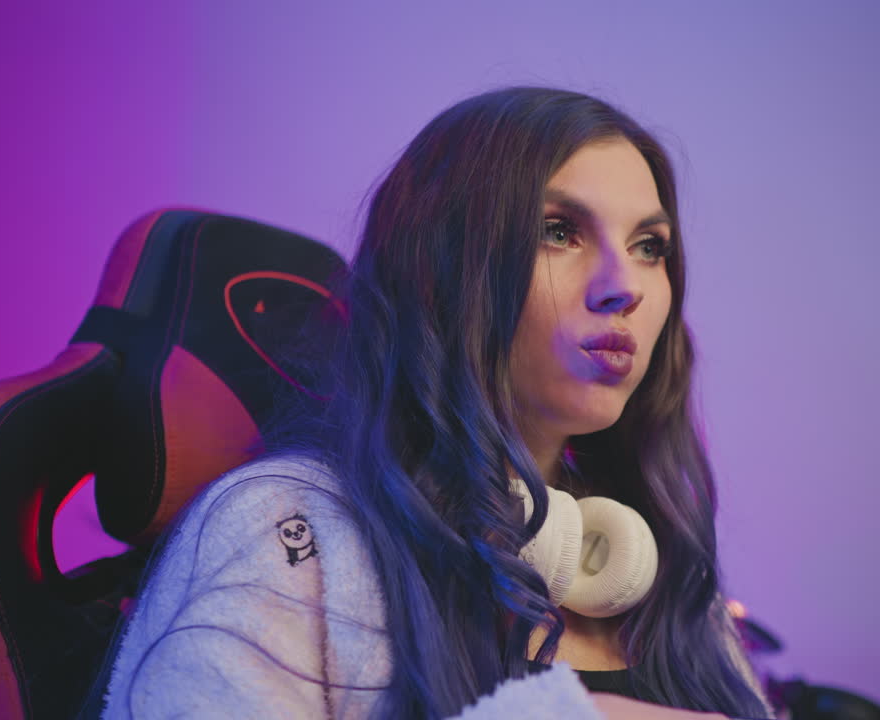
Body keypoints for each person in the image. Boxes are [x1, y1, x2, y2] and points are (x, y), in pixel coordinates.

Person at [97, 87, 774, 720]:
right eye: (559, 231)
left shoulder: (660, 567)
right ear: (443, 269)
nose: (623, 286)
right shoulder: (288, 525)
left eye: (649, 246)